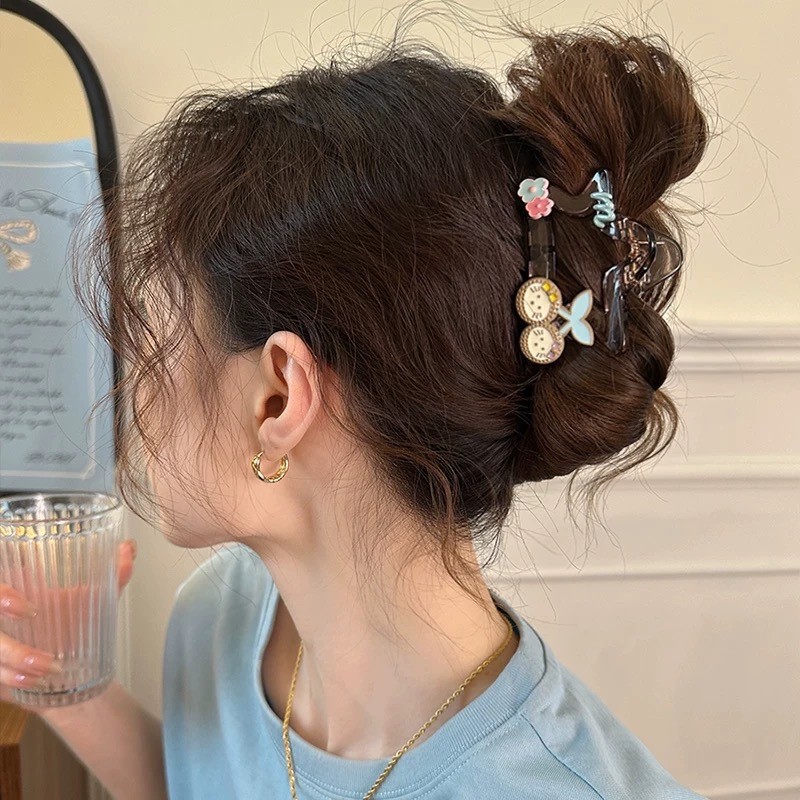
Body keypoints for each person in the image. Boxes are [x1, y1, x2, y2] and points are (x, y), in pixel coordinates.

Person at [0, 14, 711, 800]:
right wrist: (66, 684)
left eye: (152, 341)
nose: (131, 384)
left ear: (279, 396)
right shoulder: (221, 614)